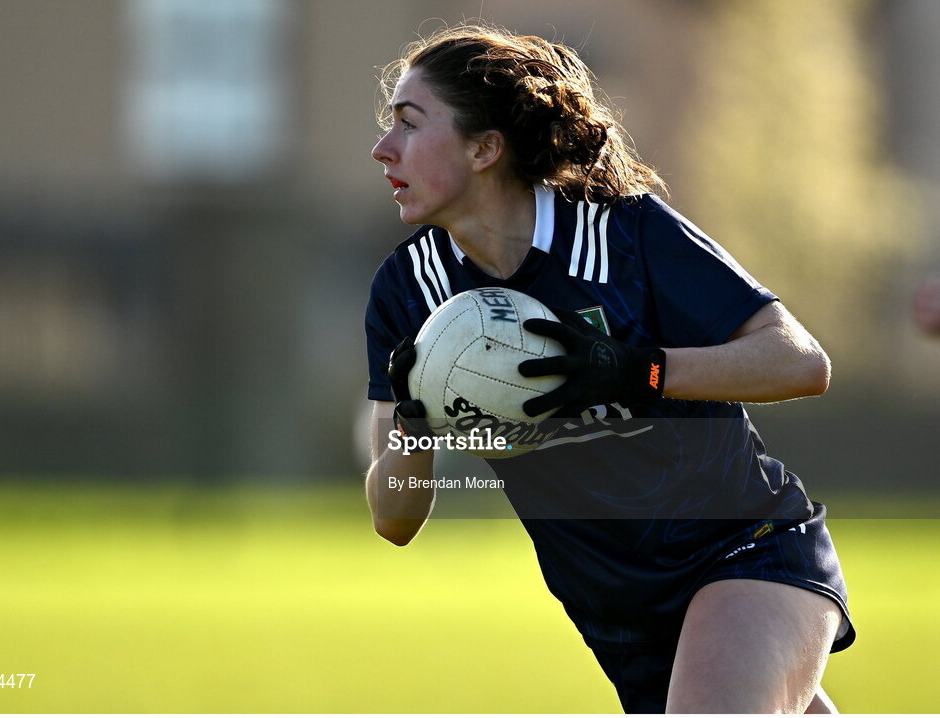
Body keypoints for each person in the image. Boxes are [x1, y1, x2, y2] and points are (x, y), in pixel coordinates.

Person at [363, 23, 853, 714]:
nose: (383, 149)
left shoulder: (621, 231)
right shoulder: (407, 292)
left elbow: (800, 363)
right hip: (622, 617)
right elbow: (394, 517)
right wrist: (417, 417)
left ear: (485, 148)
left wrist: (636, 371)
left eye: (409, 125)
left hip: (743, 545)